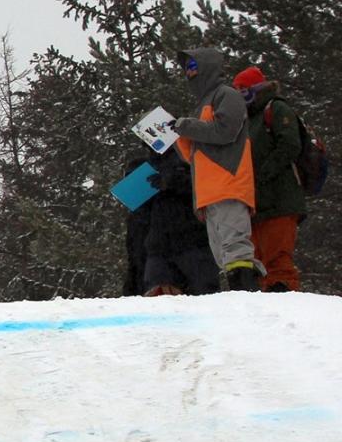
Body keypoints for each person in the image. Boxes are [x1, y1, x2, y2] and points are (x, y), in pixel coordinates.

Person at [171, 48, 260, 291]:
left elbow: (225, 131)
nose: (189, 73)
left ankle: (249, 294)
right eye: (187, 68)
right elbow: (196, 156)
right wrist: (178, 134)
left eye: (193, 67)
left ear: (208, 66)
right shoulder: (201, 105)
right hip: (209, 193)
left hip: (228, 183)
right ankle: (248, 291)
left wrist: (186, 126)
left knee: (235, 246)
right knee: (224, 254)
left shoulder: (227, 95)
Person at [235, 66, 307, 292]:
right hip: (258, 202)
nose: (239, 96)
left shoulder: (276, 108)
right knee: (260, 261)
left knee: (278, 259)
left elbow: (290, 145)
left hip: (280, 199)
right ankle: (270, 305)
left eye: (242, 90)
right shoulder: (248, 120)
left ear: (256, 89)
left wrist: (262, 173)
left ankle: (285, 302)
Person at [120, 151, 218, 297]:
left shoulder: (195, 157)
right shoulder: (148, 165)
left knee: (204, 296)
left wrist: (174, 181)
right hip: (159, 245)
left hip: (193, 242)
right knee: (157, 300)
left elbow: (209, 186)